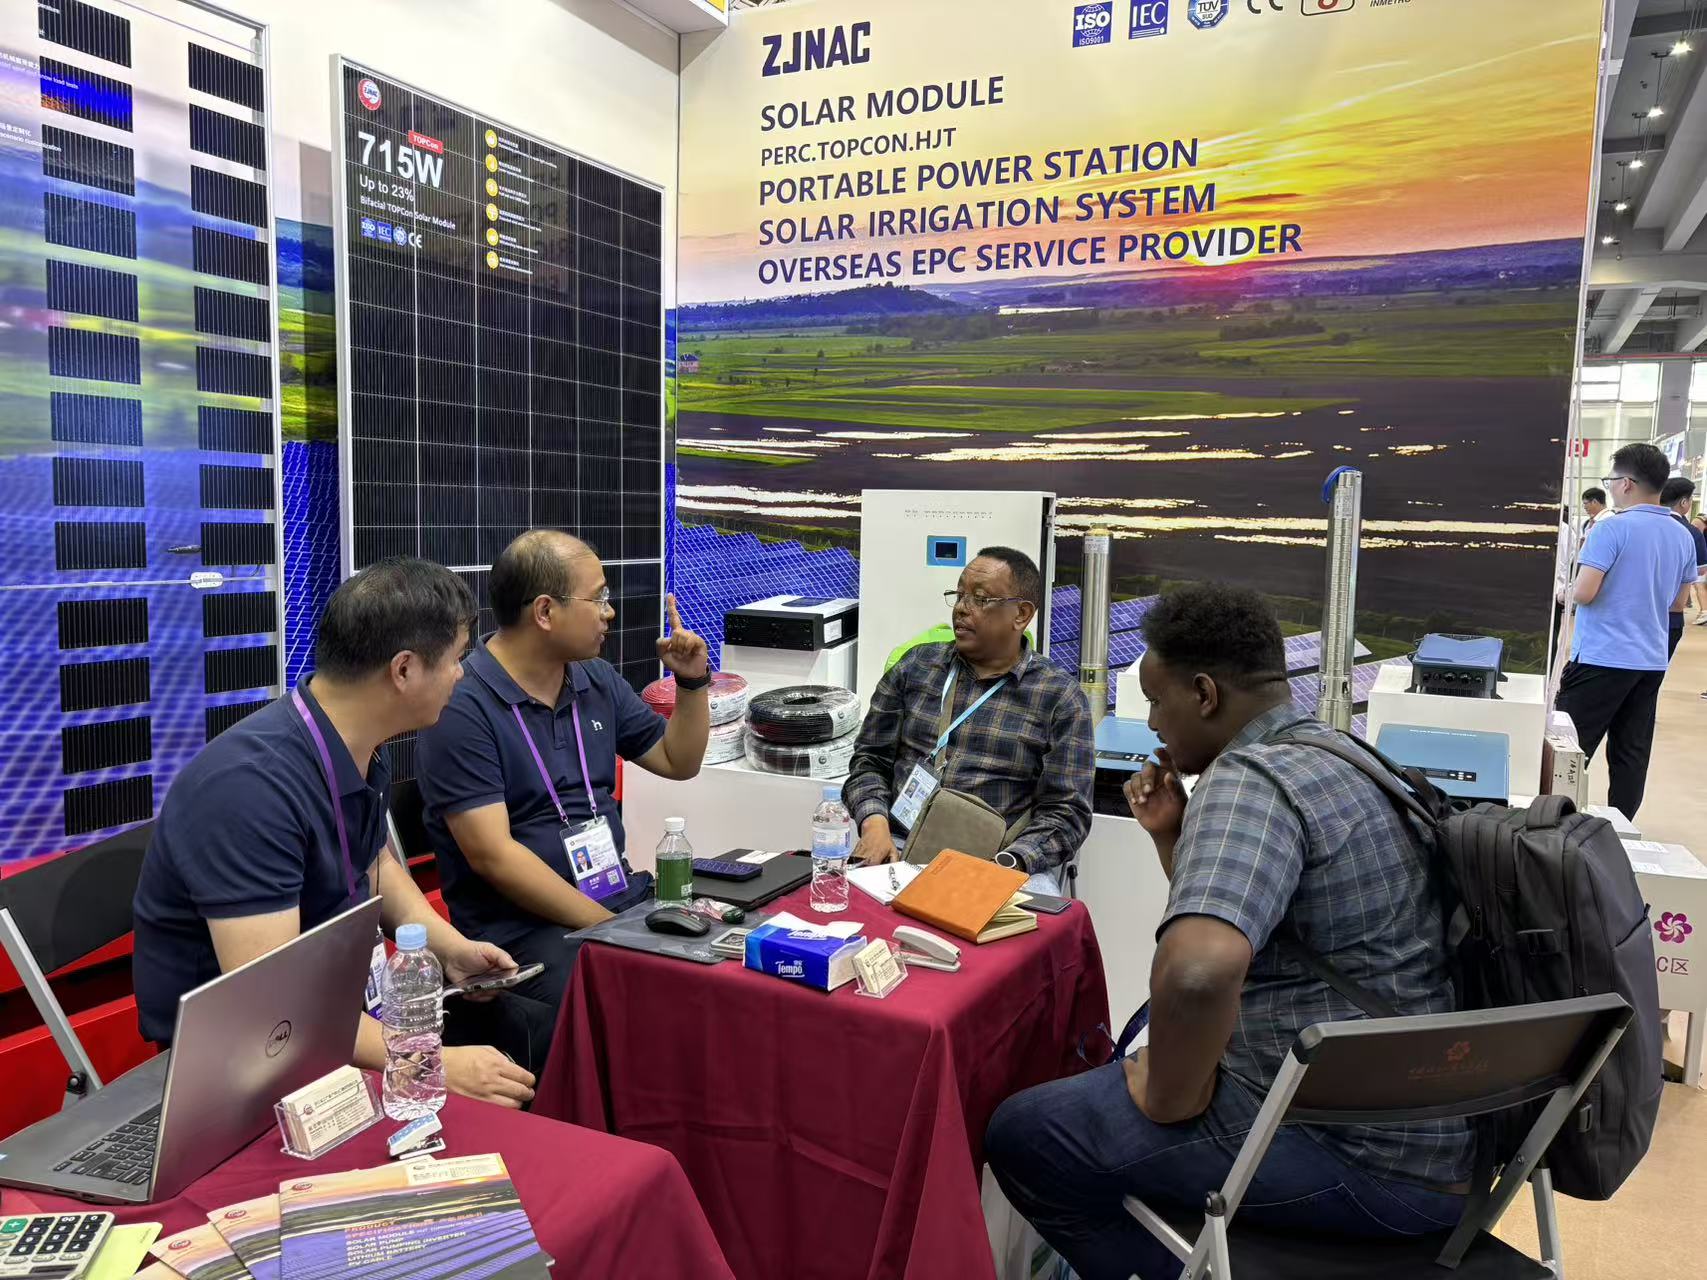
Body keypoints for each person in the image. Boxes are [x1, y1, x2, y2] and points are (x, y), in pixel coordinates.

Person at [985, 584, 1467, 1280]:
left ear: (1205, 694)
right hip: (1441, 1138)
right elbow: (1270, 930)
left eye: (1157, 701)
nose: (1153, 723)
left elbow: (1197, 972)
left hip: (1352, 1155)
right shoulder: (1345, 755)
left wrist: (1166, 1097)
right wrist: (1173, 837)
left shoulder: (1246, 780)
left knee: (1028, 1134)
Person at [133, 559, 541, 1107]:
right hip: (242, 1060)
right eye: (456, 659)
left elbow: (373, 861)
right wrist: (429, 1063)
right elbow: (270, 1007)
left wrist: (449, 948)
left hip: (335, 1017)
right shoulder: (249, 789)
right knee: (496, 1098)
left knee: (530, 1039)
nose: (461, 675)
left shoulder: (354, 743)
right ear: (403, 670)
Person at [415, 531, 711, 1009]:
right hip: (524, 932)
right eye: (598, 598)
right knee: (651, 998)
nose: (609, 613)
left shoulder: (595, 678)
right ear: (545, 612)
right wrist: (614, 929)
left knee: (727, 969)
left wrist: (692, 682)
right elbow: (494, 856)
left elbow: (679, 761)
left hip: (615, 898)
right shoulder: (462, 706)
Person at [843, 546, 1093, 894]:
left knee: (1034, 921)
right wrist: (874, 824)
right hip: (899, 844)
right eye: (959, 595)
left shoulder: (1059, 697)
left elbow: (1067, 812)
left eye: (980, 599)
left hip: (1001, 861)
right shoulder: (916, 667)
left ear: (1021, 614)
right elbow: (869, 760)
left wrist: (1008, 863)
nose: (961, 608)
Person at [1556, 443, 1698, 820]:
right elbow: (1678, 602)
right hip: (1650, 660)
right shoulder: (1681, 534)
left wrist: (1564, 592)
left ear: (1627, 483)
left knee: (1568, 749)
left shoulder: (1611, 529)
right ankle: (1619, 828)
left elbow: (1585, 592)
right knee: (1631, 753)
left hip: (1601, 656)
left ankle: (1551, 825)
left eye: (1612, 480)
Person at [1661, 476, 1707, 659]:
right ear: (1684, 502)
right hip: (1671, 611)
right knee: (1657, 666)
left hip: (1634, 611)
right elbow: (1700, 570)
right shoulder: (1691, 532)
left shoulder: (1637, 524)